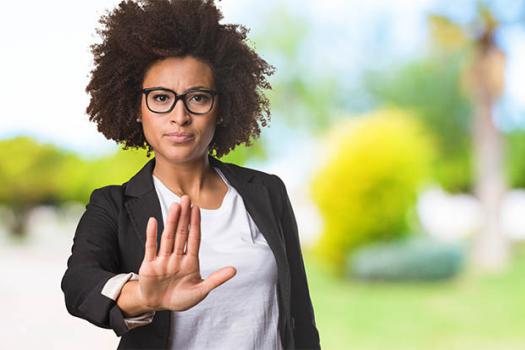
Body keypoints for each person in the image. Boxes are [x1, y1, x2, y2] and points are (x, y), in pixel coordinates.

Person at [60, 1, 320, 349]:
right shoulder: (113, 205)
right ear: (136, 109)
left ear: (222, 107)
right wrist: (142, 295)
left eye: (197, 98)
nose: (179, 116)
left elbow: (300, 317)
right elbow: (78, 285)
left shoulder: (266, 192)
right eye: (161, 97)